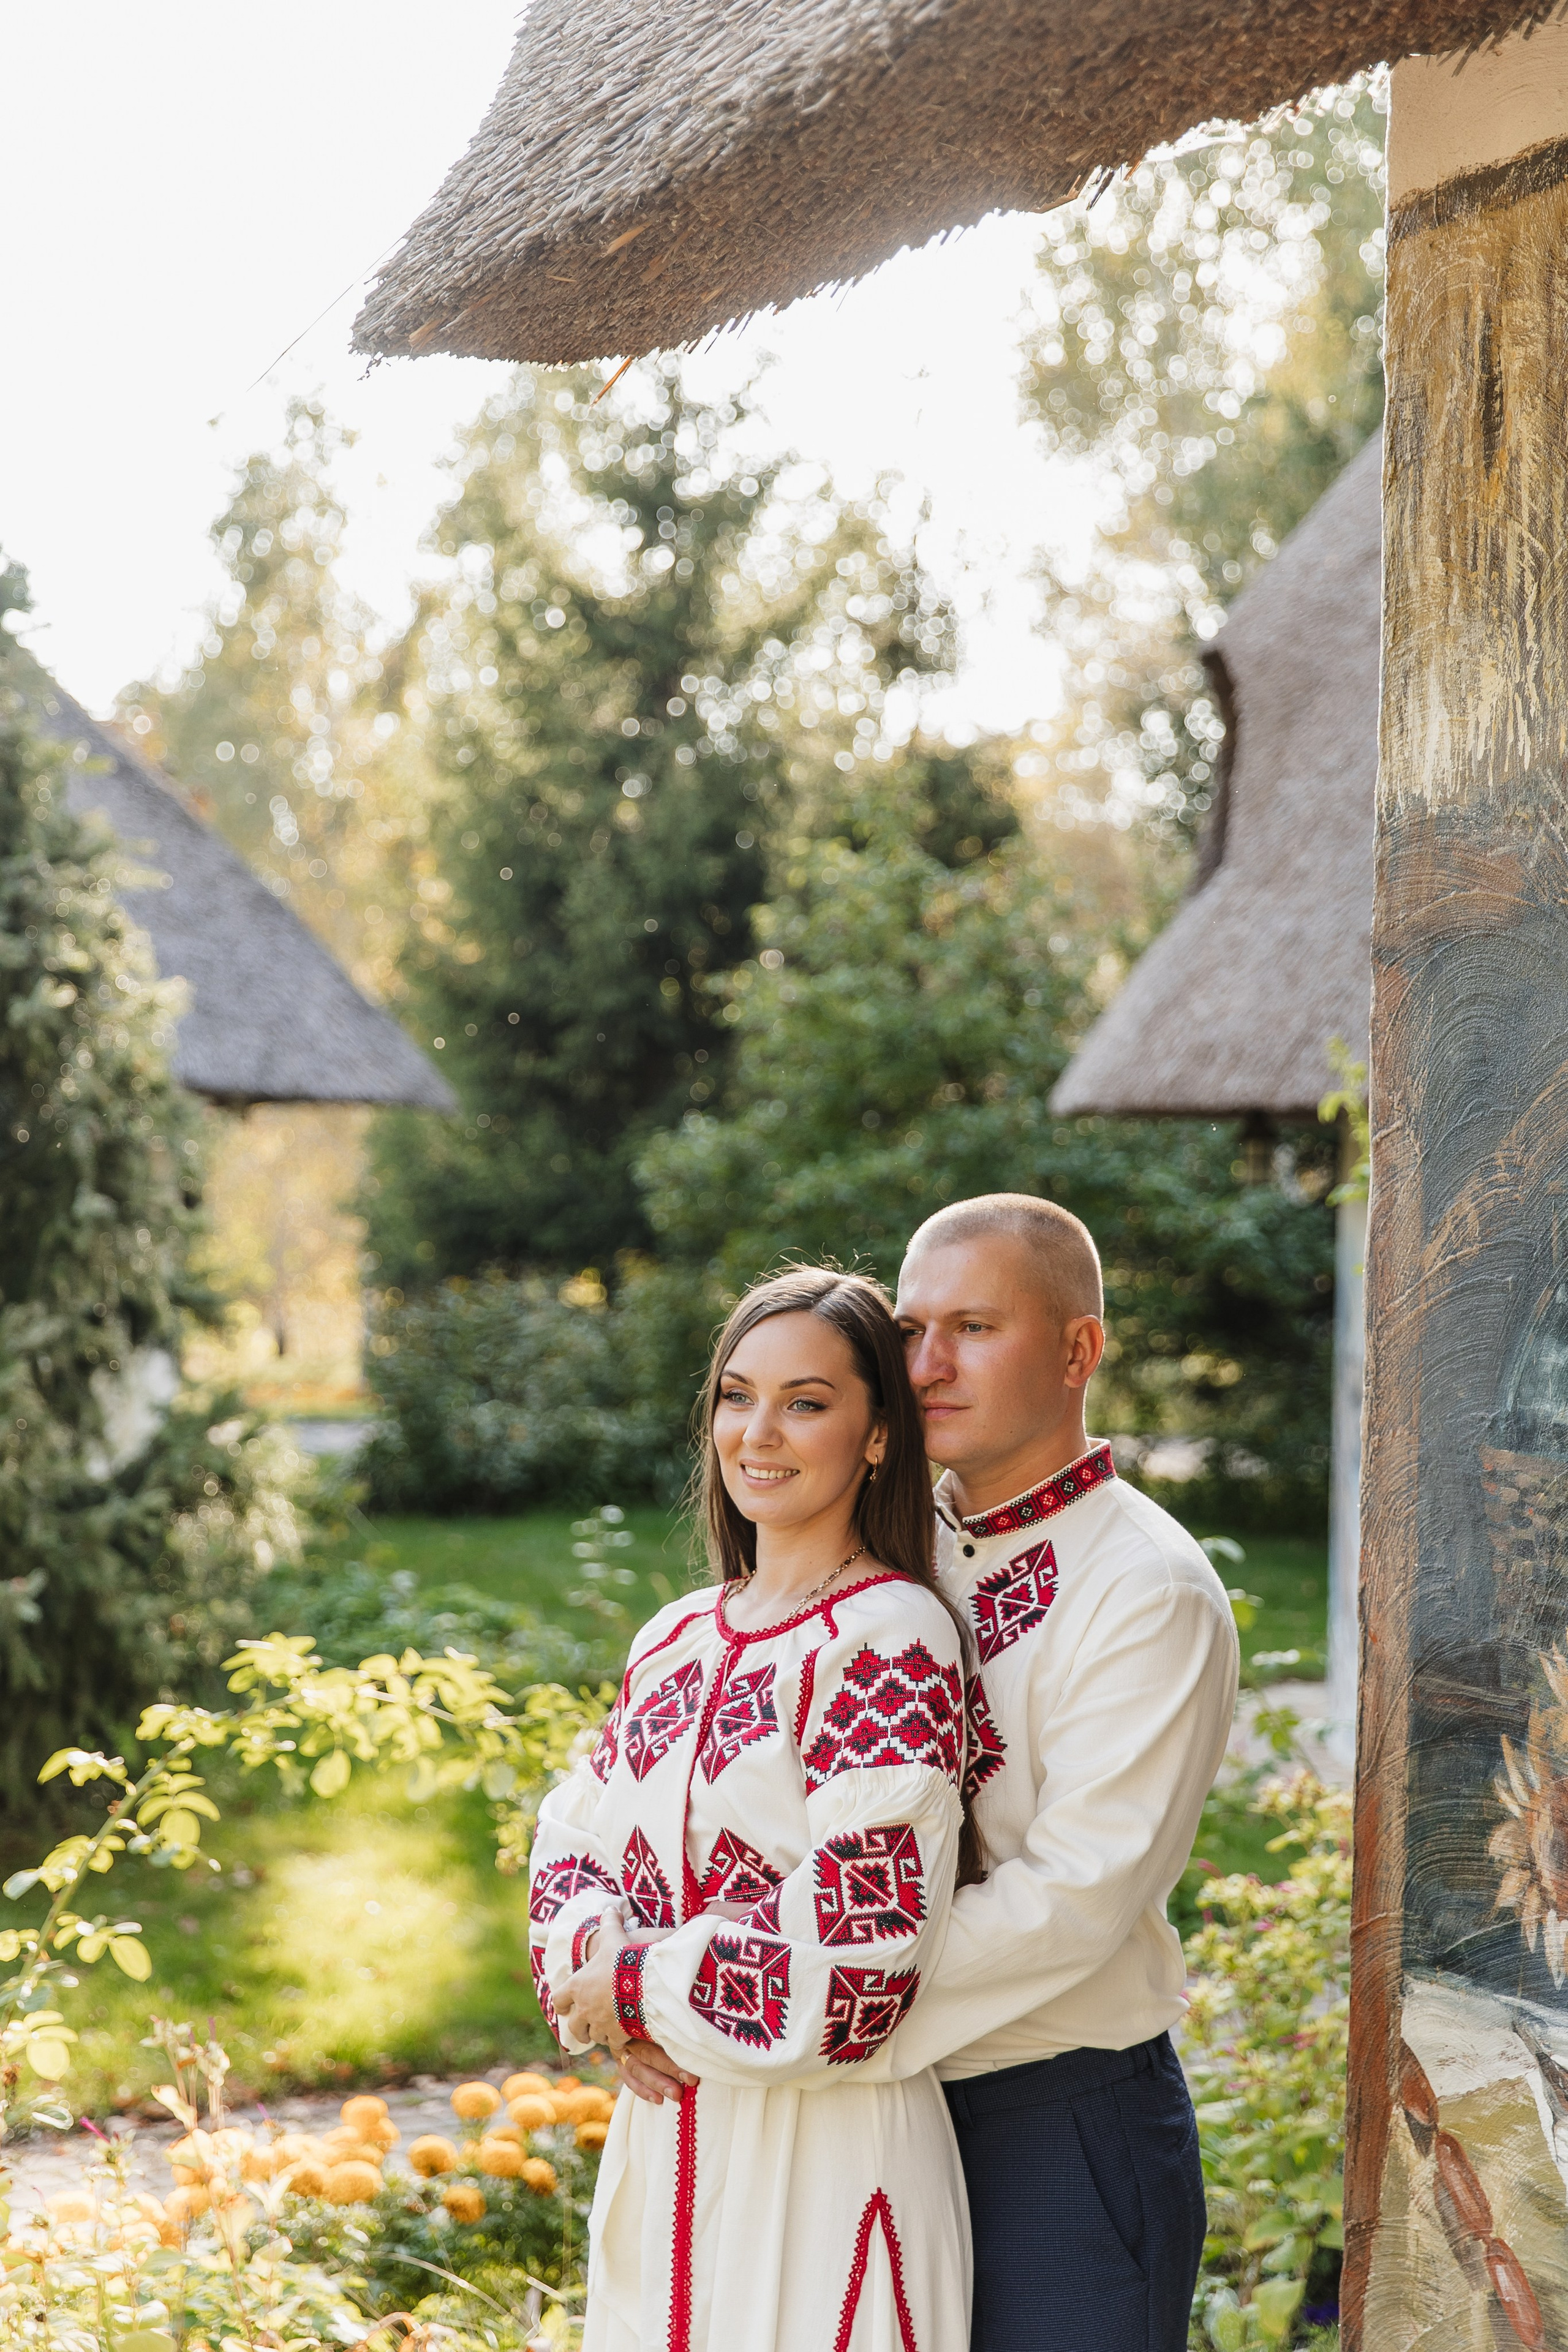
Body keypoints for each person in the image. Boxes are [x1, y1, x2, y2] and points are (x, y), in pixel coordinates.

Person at [616, 1195, 1240, 2352]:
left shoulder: (1145, 1589)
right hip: (844, 2105)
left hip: (1047, 2114)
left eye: (975, 1328)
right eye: (909, 1330)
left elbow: (1072, 1903)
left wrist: (755, 2003)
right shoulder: (890, 1546)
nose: (928, 1364)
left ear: (1077, 1350)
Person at [529, 1267, 982, 2351]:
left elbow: (863, 1955)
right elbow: (575, 1840)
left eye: (807, 1402)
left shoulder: (889, 1640)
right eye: (737, 1396)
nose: (759, 1433)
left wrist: (633, 1984)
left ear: (879, 1434)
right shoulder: (674, 1636)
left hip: (823, 2159)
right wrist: (603, 1975)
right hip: (667, 2139)